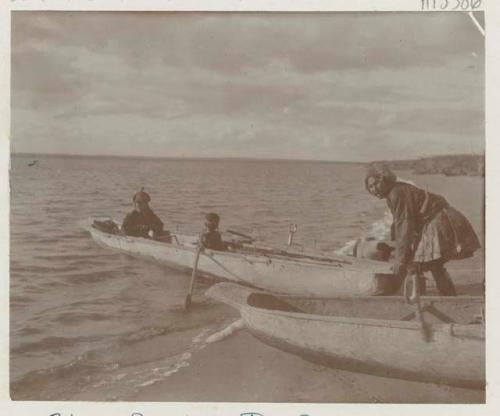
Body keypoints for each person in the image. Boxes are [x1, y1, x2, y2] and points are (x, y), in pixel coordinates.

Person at [364, 163, 481, 296]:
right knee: (432, 263)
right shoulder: (396, 192)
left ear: (385, 180)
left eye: (376, 184)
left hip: (439, 220)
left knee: (418, 263)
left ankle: (420, 298)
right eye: (370, 186)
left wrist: (400, 259)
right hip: (440, 218)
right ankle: (447, 296)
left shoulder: (397, 193)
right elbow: (403, 223)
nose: (374, 189)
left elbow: (405, 225)